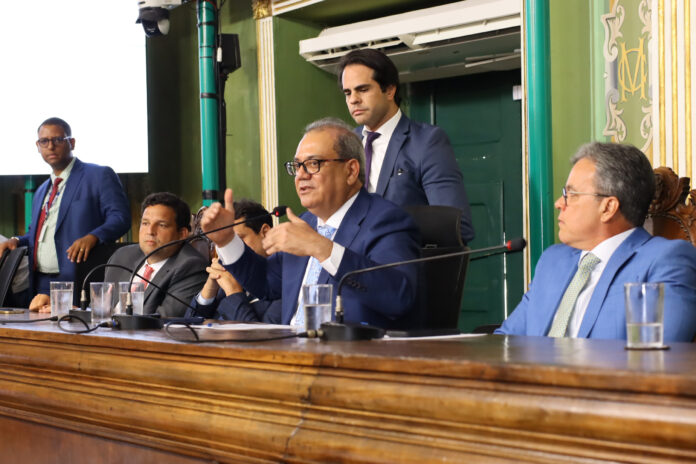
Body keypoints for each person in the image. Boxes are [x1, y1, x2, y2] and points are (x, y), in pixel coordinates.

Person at [201, 118, 422, 329]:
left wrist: (321, 247)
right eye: (297, 166)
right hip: (289, 346)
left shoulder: (385, 220)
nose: (300, 175)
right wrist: (227, 241)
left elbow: (398, 297)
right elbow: (266, 282)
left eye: (313, 164)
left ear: (351, 170)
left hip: (349, 351)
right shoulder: (306, 222)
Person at [496, 142, 696, 342]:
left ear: (608, 208)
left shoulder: (666, 260)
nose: (558, 203)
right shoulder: (552, 260)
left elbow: (658, 351)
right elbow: (505, 342)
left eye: (570, 195)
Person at [337, 49, 474, 244]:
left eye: (363, 89)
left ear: (390, 90)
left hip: (404, 260)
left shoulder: (427, 141)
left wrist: (381, 225)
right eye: (347, 93)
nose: (353, 100)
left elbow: (457, 226)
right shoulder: (344, 145)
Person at [0, 117, 130, 310]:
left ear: (72, 143)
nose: (50, 146)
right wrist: (17, 240)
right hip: (40, 281)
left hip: (77, 277)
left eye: (58, 140)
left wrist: (94, 236)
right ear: (38, 146)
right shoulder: (42, 190)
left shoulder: (98, 175)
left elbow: (120, 218)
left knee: (75, 327)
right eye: (44, 141)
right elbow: (37, 236)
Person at [105, 192, 208, 318]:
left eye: (161, 225)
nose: (150, 231)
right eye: (145, 223)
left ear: (182, 234)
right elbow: (99, 307)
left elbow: (164, 318)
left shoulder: (191, 266)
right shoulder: (122, 256)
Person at [188, 199, 282, 322]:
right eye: (224, 242)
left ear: (265, 232)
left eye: (237, 240)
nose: (230, 249)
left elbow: (262, 333)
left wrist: (233, 292)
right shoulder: (228, 272)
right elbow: (187, 325)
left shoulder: (282, 277)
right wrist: (210, 289)